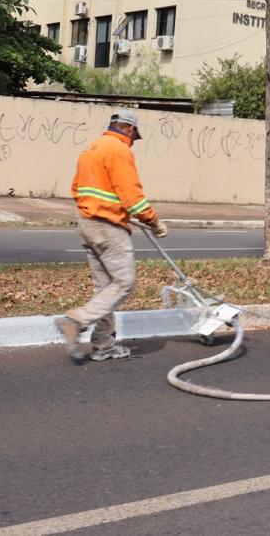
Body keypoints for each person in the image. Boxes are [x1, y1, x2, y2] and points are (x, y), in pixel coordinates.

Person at [56, 109, 168, 363]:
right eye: (133, 136)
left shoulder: (91, 149)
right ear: (129, 129)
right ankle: (76, 320)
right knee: (123, 283)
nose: (132, 141)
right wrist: (153, 222)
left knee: (105, 288)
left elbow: (77, 188)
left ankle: (104, 344)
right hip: (108, 227)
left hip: (87, 223)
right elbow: (132, 195)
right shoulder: (119, 150)